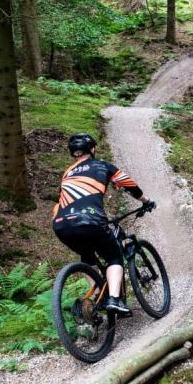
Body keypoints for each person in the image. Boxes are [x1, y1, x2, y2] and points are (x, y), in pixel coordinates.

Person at [52, 133, 155, 317]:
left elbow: (62, 201)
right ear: (92, 149)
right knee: (114, 256)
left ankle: (97, 294)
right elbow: (128, 184)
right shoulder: (102, 166)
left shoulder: (67, 174)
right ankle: (114, 299)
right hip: (90, 220)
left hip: (61, 225)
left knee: (87, 255)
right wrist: (146, 201)